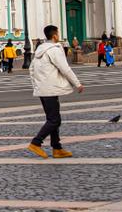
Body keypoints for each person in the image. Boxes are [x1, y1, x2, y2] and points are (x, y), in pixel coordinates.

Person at [28, 25, 84, 159]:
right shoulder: (55, 50)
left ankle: (57, 148)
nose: (58, 35)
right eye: (58, 33)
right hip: (51, 89)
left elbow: (31, 70)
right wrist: (77, 84)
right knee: (54, 120)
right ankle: (36, 143)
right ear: (54, 36)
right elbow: (65, 68)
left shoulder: (39, 51)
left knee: (52, 119)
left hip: (43, 89)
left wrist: (37, 86)